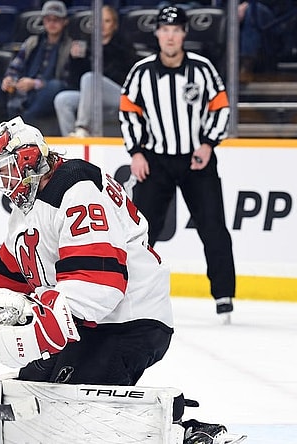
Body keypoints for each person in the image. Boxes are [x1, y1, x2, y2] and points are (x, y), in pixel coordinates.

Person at [0, 115, 243, 444]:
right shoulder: (28, 210)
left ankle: (183, 434)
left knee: (73, 413)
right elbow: (13, 271)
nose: (5, 183)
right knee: (29, 395)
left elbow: (99, 282)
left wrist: (44, 326)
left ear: (29, 159)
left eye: (8, 170)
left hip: (129, 319)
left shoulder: (74, 186)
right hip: (86, 324)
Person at [119, 6, 235, 322]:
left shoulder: (202, 69)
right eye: (164, 29)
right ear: (157, 33)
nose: (170, 36)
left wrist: (209, 143)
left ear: (184, 33)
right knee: (142, 233)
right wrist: (137, 152)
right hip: (156, 161)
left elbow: (221, 108)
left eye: (176, 30)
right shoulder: (141, 72)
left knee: (213, 227)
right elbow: (128, 112)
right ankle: (130, 293)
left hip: (197, 161)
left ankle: (224, 296)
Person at [0, 0, 72, 137]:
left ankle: (24, 124)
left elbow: (66, 81)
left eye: (56, 20)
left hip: (42, 95)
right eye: (48, 19)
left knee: (55, 86)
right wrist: (9, 79)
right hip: (17, 92)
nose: (52, 23)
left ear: (65, 22)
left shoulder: (69, 46)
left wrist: (34, 84)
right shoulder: (32, 42)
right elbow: (15, 66)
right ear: (43, 20)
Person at [53, 4, 136, 137]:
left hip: (119, 94)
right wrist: (75, 60)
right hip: (92, 96)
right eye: (99, 21)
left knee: (90, 78)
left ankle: (83, 128)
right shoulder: (89, 44)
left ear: (114, 25)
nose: (102, 25)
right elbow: (75, 82)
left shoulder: (123, 45)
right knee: (63, 99)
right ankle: (71, 141)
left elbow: (127, 77)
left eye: (107, 21)